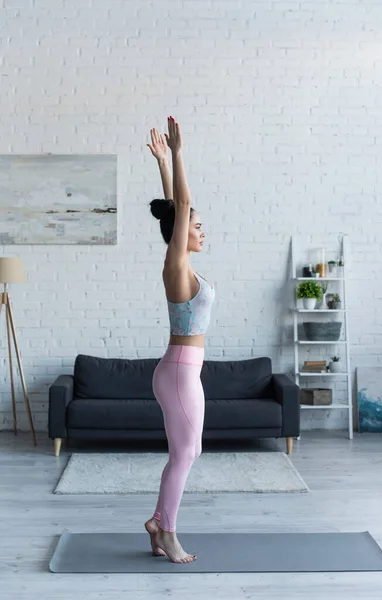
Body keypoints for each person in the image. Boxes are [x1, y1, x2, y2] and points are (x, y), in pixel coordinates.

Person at [144, 116, 215, 563]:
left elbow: (176, 209)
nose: (201, 229)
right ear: (179, 234)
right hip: (177, 374)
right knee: (186, 453)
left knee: (188, 451)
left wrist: (162, 166)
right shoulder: (175, 268)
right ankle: (166, 531)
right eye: (197, 225)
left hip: (184, 372)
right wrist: (178, 153)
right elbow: (181, 208)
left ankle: (157, 524)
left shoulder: (184, 266)